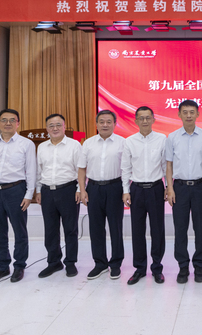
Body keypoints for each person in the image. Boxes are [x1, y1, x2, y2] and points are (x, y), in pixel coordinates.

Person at [0, 109, 36, 284]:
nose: (8, 123)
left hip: (16, 190)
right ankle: (2, 266)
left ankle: (19, 266)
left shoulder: (26, 144)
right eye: (4, 120)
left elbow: (31, 170)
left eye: (12, 120)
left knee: (20, 231)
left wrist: (29, 194)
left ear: (18, 123)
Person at [165, 100, 202, 284]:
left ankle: (199, 265)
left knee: (201, 228)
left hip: (200, 187)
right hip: (179, 187)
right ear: (179, 114)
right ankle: (183, 266)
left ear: (197, 114)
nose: (188, 115)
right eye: (185, 112)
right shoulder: (172, 137)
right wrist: (170, 188)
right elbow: (168, 165)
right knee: (180, 228)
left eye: (192, 112)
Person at [121, 106, 167, 285]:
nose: (145, 121)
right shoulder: (129, 141)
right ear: (136, 121)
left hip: (156, 188)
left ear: (154, 119)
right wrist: (126, 190)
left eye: (148, 117)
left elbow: (166, 166)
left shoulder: (162, 139)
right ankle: (139, 268)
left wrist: (167, 187)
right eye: (141, 118)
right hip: (137, 190)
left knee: (157, 230)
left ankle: (157, 268)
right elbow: (126, 168)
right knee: (137, 230)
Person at [78, 110, 125, 280]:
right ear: (96, 124)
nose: (105, 125)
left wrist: (126, 190)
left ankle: (116, 263)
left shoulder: (123, 143)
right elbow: (81, 168)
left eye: (109, 122)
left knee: (115, 227)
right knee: (96, 227)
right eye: (102, 122)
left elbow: (127, 169)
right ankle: (100, 263)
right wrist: (82, 189)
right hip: (94, 188)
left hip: (115, 187)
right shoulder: (88, 143)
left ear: (115, 124)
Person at [35, 114, 82, 278]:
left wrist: (79, 189)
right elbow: (39, 170)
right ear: (46, 128)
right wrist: (38, 190)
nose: (54, 128)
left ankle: (70, 263)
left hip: (68, 190)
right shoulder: (42, 147)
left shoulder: (74, 145)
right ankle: (54, 262)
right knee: (50, 229)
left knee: (70, 229)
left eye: (58, 125)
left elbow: (81, 169)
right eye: (51, 125)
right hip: (47, 191)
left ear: (64, 126)